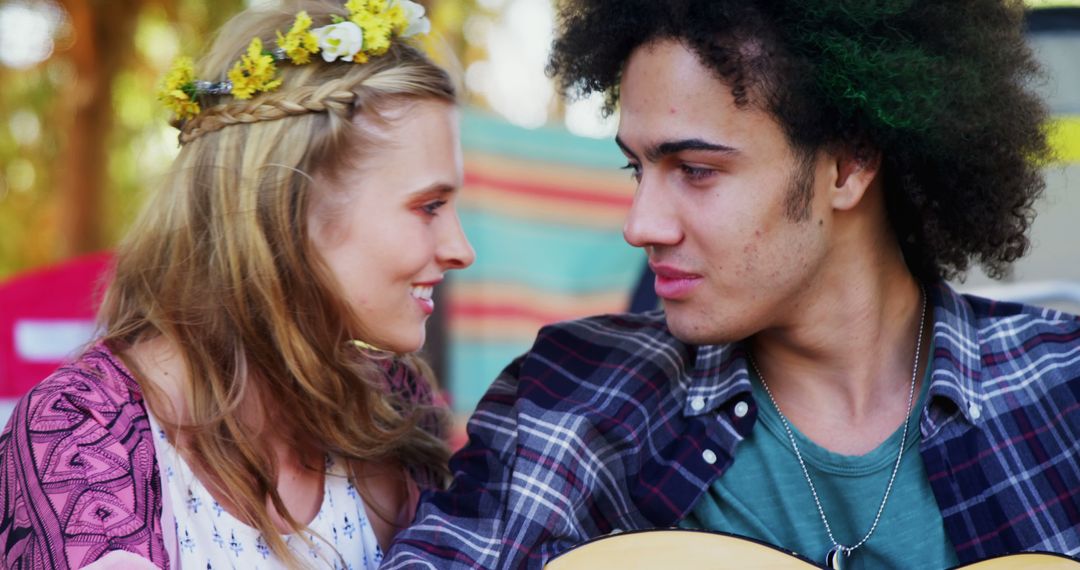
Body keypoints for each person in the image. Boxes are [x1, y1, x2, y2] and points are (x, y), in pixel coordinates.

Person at [384, 0, 1080, 568]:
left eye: (695, 170)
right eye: (637, 169)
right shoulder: (577, 397)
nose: (640, 224)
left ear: (848, 165)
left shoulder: (1062, 387)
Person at [0, 0, 475, 567]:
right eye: (429, 206)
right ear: (290, 210)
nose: (460, 250)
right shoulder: (81, 436)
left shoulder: (395, 412)